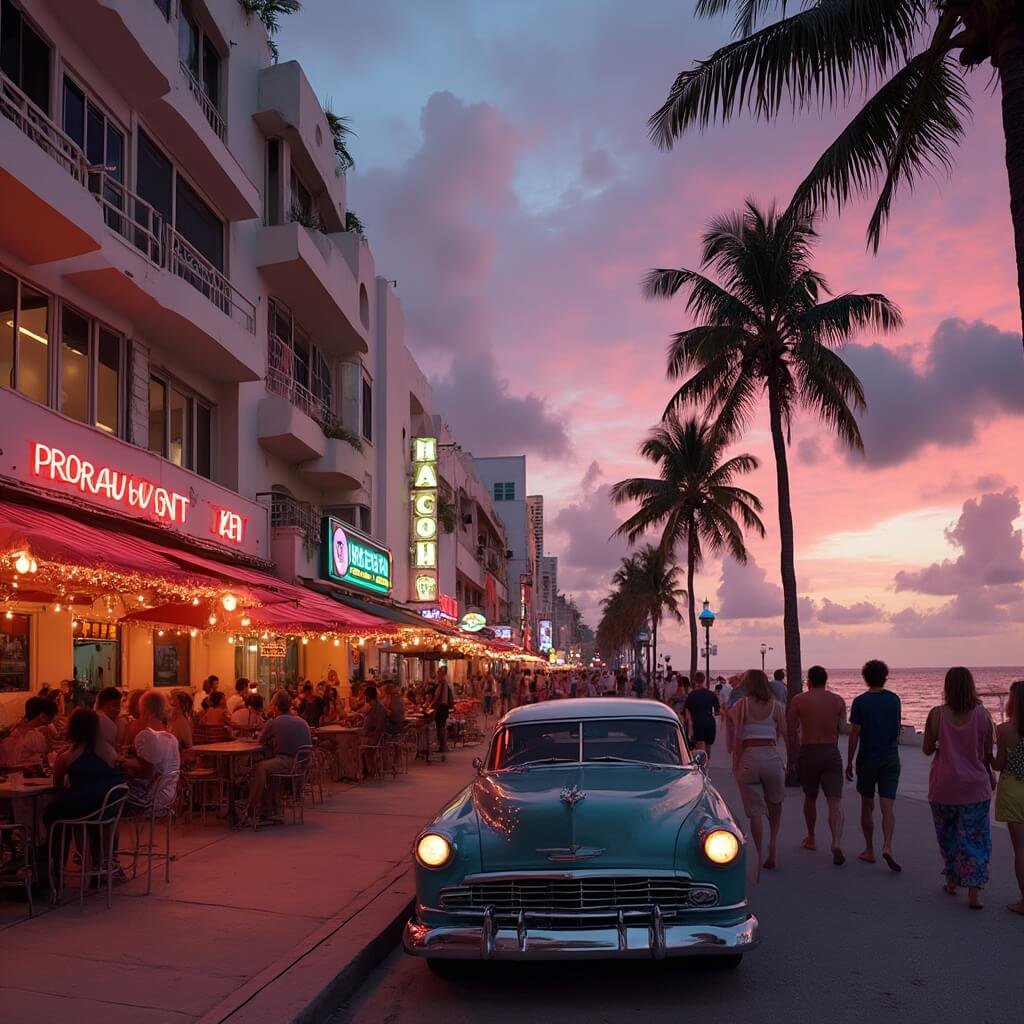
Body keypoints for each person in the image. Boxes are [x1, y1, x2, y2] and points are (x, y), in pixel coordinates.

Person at [923, 667, 994, 910]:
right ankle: (974, 892)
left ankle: (952, 880)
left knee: (948, 835)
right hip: (975, 787)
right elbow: (985, 754)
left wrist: (943, 742)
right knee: (975, 838)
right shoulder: (983, 716)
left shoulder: (936, 714)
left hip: (944, 786)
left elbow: (926, 749)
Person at [846, 660, 903, 871]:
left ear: (865, 677)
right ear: (885, 676)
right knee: (887, 807)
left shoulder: (860, 702)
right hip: (890, 757)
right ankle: (887, 845)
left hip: (868, 758)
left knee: (867, 806)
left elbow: (854, 734)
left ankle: (869, 850)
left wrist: (850, 761)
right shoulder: (894, 700)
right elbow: (897, 728)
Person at [788, 665, 848, 864]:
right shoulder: (838, 701)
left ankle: (812, 838)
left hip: (809, 751)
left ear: (809, 681)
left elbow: (790, 730)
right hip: (831, 751)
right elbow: (841, 728)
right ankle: (836, 842)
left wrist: (793, 756)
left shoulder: (798, 700)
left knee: (810, 797)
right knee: (834, 801)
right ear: (826, 680)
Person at [730, 669, 786, 876]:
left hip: (749, 758)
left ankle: (760, 853)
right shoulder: (777, 707)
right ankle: (773, 847)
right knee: (775, 804)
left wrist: (734, 763)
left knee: (755, 812)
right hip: (771, 756)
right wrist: (790, 762)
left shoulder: (741, 706)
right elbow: (787, 735)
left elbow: (737, 738)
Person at [246, 692, 312, 822]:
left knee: (260, 768)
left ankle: (251, 809)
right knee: (271, 767)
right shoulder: (301, 721)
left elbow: (260, 742)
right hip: (303, 763)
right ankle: (272, 807)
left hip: (289, 762)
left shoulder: (273, 722)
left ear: (276, 706)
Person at [993, 679, 1024, 914]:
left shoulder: (1004, 730)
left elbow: (999, 764)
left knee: (1020, 849)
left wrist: (986, 757)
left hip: (1014, 790)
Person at [122, 690, 181, 815]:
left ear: (147, 712)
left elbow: (147, 771)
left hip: (148, 799)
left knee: (104, 798)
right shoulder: (171, 738)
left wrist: (122, 761)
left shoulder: (146, 736)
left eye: (140, 712)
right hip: (168, 796)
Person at [0, 696, 58, 765]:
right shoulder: (36, 733)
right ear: (43, 716)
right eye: (53, 715)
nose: (54, 718)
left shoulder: (16, 727)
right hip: (20, 771)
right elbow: (47, 754)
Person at [684, 675, 720, 760]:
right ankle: (706, 765)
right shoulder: (711, 694)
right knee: (708, 746)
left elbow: (687, 712)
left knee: (700, 745)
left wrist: (689, 726)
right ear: (704, 680)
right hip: (709, 722)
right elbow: (717, 711)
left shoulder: (691, 695)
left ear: (694, 681)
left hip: (697, 722)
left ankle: (702, 766)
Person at [432, 668, 455, 763]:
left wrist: (431, 704)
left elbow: (437, 697)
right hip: (444, 707)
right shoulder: (445, 683)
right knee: (442, 726)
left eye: (438, 674)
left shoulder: (442, 684)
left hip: (441, 708)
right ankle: (443, 745)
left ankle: (442, 746)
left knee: (440, 727)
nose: (436, 676)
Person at [95, 686, 124, 753]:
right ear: (103, 705)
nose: (118, 710)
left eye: (119, 706)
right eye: (115, 706)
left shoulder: (119, 722)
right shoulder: (102, 720)